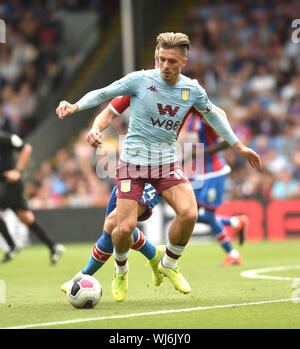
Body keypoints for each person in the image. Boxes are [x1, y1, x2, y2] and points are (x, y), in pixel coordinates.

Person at [56, 32, 261, 302]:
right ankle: (121, 270)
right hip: (133, 165)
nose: (165, 65)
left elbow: (215, 115)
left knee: (189, 213)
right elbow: (105, 96)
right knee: (121, 227)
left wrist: (239, 147)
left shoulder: (191, 90)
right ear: (156, 58)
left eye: (172, 61)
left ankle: (168, 263)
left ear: (184, 62)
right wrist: (76, 106)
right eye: (161, 59)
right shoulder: (140, 81)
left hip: (166, 165)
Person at [60, 182, 165, 295]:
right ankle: (154, 255)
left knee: (116, 226)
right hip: (127, 174)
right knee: (114, 229)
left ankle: (89, 274)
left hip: (153, 175)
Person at [180, 111, 249, 266]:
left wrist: (199, 153)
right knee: (190, 213)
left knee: (209, 216)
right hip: (200, 174)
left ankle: (233, 254)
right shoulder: (190, 118)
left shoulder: (208, 117)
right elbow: (194, 146)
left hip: (215, 173)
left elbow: (227, 141)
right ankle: (235, 222)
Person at [0, 130, 65, 264]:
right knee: (27, 218)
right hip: (6, 185)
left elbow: (26, 148)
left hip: (10, 184)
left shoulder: (4, 138)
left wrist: (17, 171)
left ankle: (12, 246)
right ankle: (53, 246)